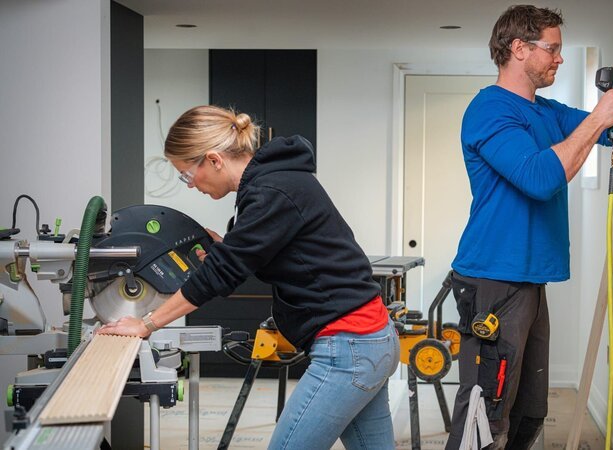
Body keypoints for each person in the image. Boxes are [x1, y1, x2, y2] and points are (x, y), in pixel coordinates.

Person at [98, 105, 400, 450]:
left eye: (186, 174)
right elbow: (282, 256)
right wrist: (230, 248)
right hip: (370, 339)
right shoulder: (277, 181)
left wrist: (146, 324)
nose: (190, 184)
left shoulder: (271, 190)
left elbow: (221, 274)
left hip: (350, 346)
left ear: (213, 159)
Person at [445, 5, 613, 450]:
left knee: (529, 412)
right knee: (486, 415)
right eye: (553, 49)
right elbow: (540, 178)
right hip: (492, 279)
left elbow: (606, 132)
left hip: (526, 281)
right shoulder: (489, 110)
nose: (559, 59)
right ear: (520, 49)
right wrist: (599, 121)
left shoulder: (546, 112)